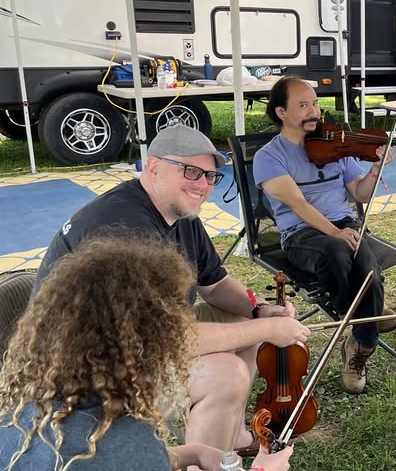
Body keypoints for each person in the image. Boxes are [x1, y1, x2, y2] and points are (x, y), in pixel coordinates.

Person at [30, 125, 311, 456]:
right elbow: (162, 338)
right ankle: (202, 459)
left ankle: (228, 431)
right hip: (90, 374)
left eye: (210, 176)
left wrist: (259, 311)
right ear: (153, 167)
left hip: (136, 341)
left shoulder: (179, 212)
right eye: (191, 171)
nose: (203, 185)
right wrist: (268, 328)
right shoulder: (123, 226)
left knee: (241, 321)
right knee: (225, 374)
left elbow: (216, 283)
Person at [0, 237, 294, 471]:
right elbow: (116, 458)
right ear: (148, 343)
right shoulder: (127, 442)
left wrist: (185, 454)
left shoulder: (8, 422)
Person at [253, 76, 395, 394]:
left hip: (344, 223)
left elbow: (360, 194)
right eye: (303, 105)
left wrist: (376, 169)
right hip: (301, 234)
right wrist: (335, 232)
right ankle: (367, 319)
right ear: (281, 112)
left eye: (315, 103)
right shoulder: (269, 157)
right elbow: (298, 205)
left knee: (370, 269)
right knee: (336, 251)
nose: (314, 112)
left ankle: (358, 344)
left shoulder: (336, 144)